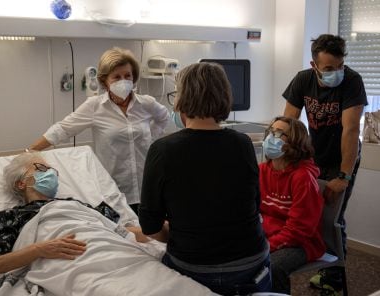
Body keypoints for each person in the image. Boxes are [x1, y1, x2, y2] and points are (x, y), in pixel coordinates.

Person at [139, 62, 271, 296]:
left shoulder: (163, 150)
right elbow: (252, 205)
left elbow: (150, 228)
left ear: (181, 100)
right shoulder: (243, 144)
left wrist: (181, 230)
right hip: (251, 265)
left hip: (195, 269)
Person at [28, 47, 170, 213]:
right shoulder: (95, 107)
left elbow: (163, 117)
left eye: (127, 76)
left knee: (151, 233)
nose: (123, 81)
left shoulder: (146, 103)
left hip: (146, 184)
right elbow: (63, 129)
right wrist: (30, 151)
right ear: (104, 81)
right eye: (116, 77)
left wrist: (150, 139)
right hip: (113, 187)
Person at [282, 34, 368, 294]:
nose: (337, 72)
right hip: (313, 157)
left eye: (340, 66)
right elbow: (289, 124)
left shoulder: (352, 81)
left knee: (333, 219)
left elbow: (351, 130)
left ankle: (334, 276)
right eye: (329, 69)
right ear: (314, 65)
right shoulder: (302, 80)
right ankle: (322, 266)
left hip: (344, 157)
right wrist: (286, 161)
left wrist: (344, 175)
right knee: (312, 214)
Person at [0, 151, 149, 278]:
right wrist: (39, 249)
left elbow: (118, 231)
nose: (51, 174)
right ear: (21, 183)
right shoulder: (10, 216)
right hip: (69, 266)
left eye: (53, 171)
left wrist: (162, 229)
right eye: (42, 168)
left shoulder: (76, 204)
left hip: (111, 253)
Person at [259, 116, 325, 294]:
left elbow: (299, 230)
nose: (270, 138)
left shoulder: (302, 178)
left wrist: (266, 246)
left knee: (272, 266)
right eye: (270, 132)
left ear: (295, 141)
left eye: (279, 134)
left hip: (300, 243)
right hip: (267, 235)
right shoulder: (261, 170)